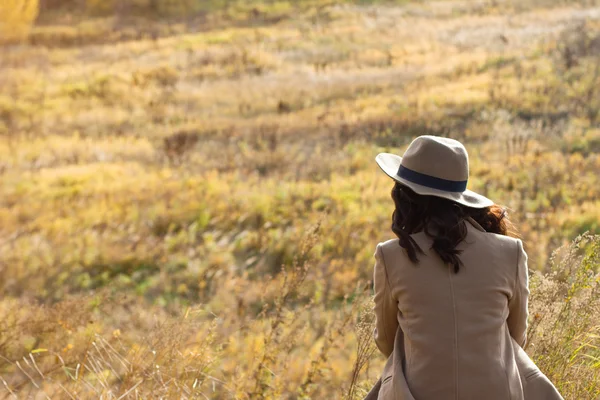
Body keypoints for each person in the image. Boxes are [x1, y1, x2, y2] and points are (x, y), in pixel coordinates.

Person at [365, 136, 563, 400]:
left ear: (405, 196)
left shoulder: (391, 256)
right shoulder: (510, 252)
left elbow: (386, 341)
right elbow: (517, 337)